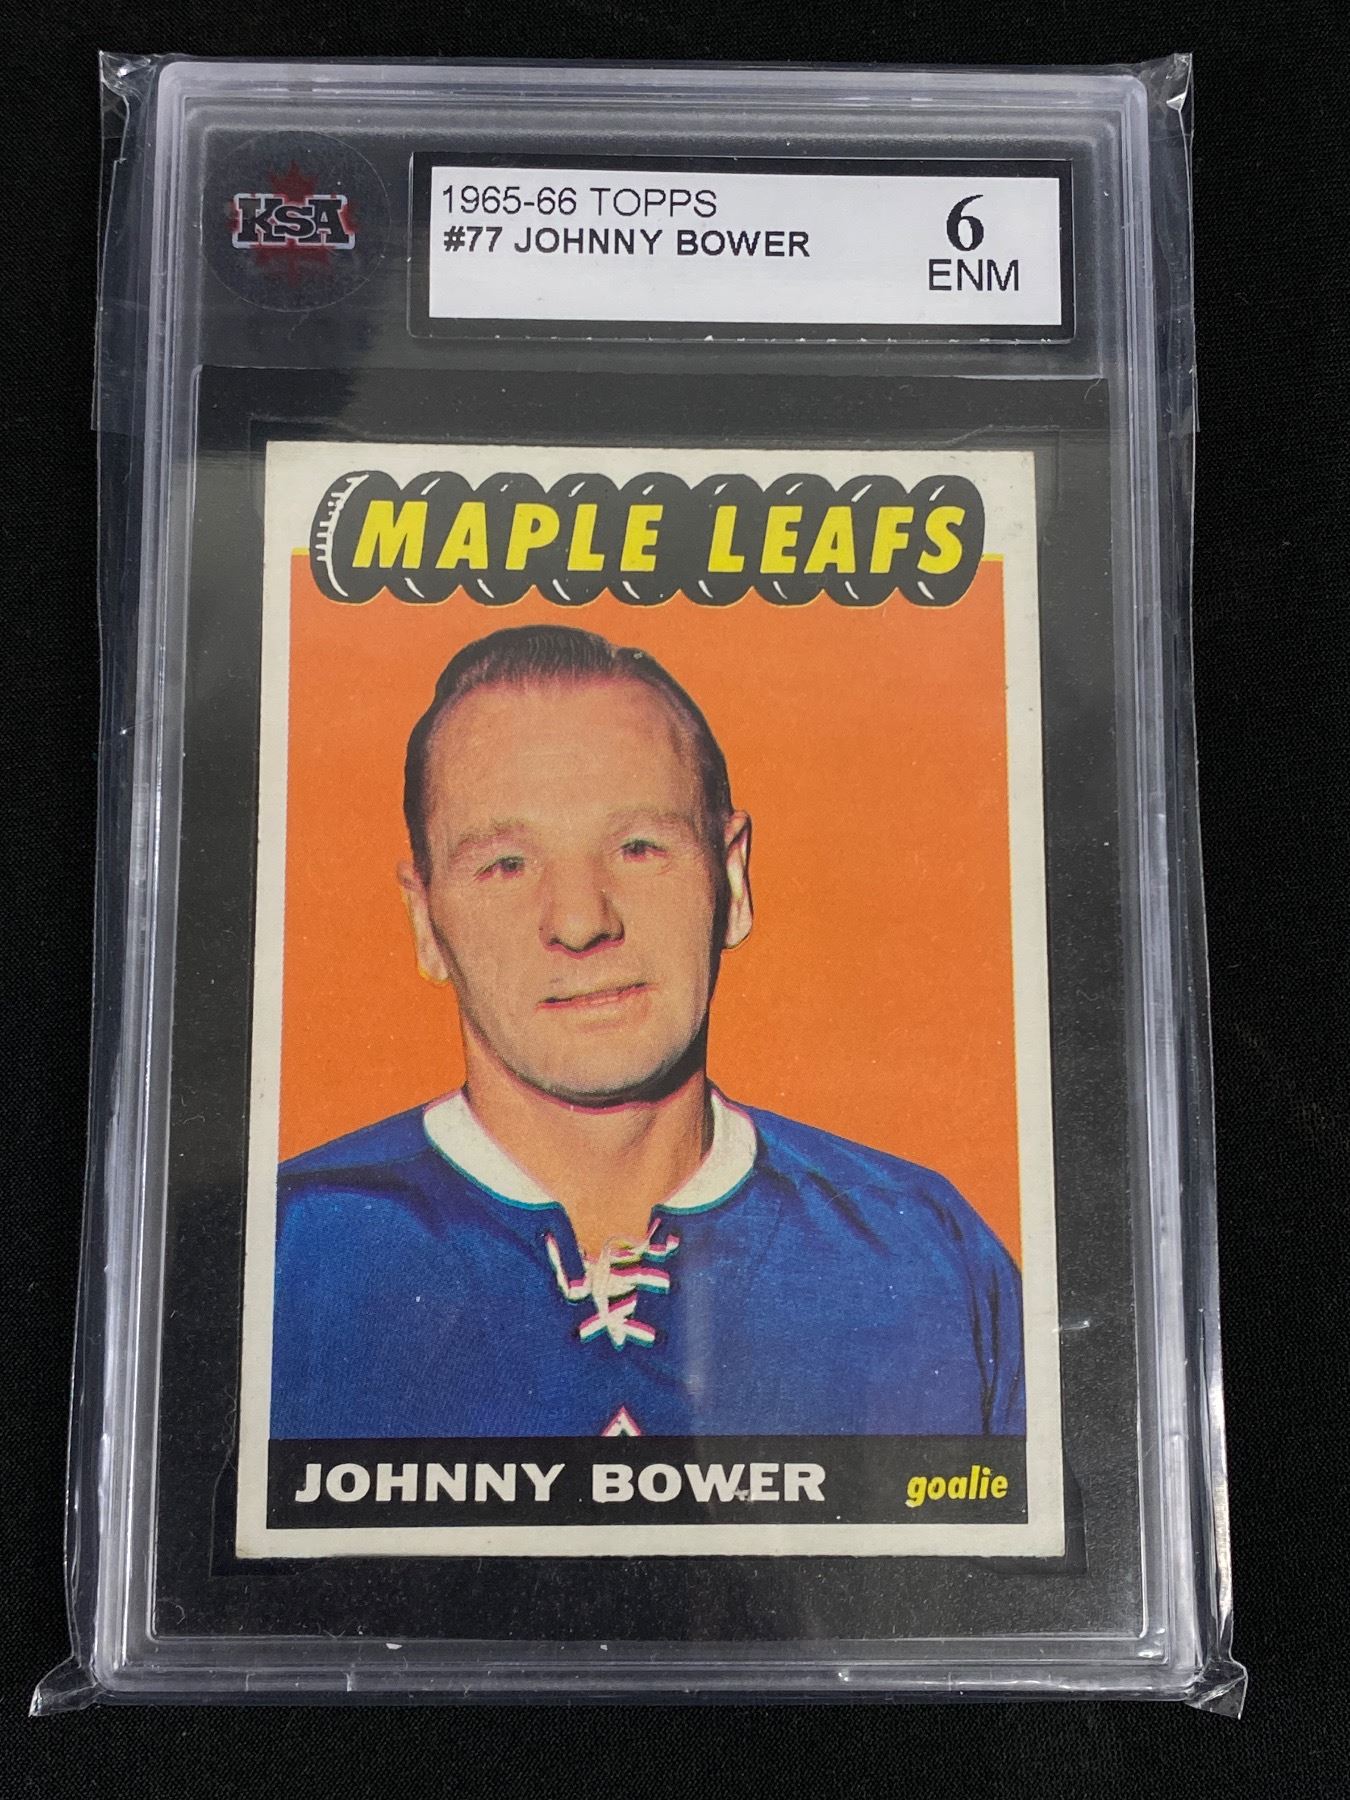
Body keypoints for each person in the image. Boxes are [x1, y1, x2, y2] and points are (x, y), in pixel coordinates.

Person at [271, 624, 1024, 1440]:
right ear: (425, 920)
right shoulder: (280, 1255)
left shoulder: (926, 1254)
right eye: (505, 865)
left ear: (731, 880)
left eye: (637, 847)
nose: (581, 921)